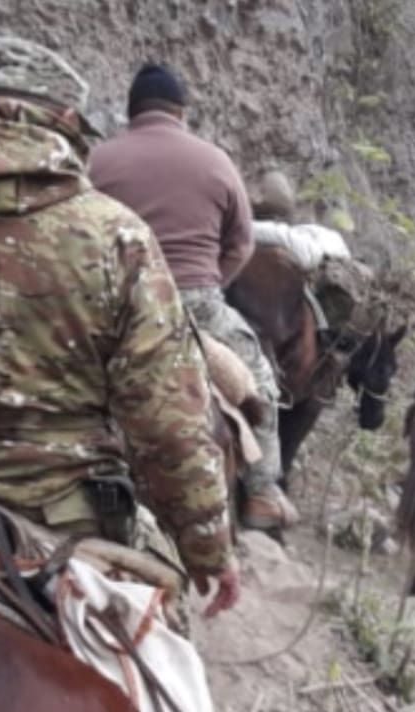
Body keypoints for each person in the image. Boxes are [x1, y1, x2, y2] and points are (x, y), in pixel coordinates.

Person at [0, 36, 239, 618]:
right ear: (66, 123)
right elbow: (166, 426)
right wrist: (207, 548)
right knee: (164, 660)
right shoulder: (116, 238)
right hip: (61, 518)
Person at [89, 63, 297, 532]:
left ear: (131, 111)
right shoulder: (217, 161)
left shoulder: (98, 160)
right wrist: (211, 283)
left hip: (116, 305)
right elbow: (241, 244)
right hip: (195, 305)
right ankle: (263, 490)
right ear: (181, 112)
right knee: (259, 378)